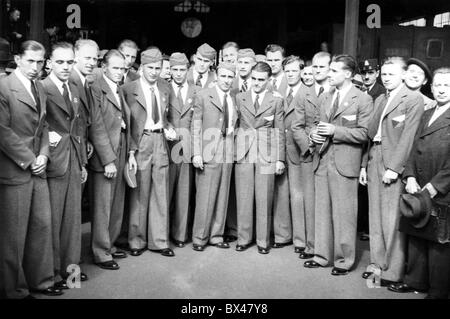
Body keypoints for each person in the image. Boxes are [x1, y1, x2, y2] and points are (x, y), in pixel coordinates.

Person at [0, 40, 63, 299]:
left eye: (40, 62)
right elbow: (2, 132)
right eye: (30, 61)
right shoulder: (4, 88)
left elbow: (45, 125)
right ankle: (13, 289)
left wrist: (44, 155)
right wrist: (30, 158)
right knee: (13, 236)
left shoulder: (38, 86)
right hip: (16, 170)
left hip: (37, 166)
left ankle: (41, 280)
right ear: (17, 59)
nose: (36, 67)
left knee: (41, 226)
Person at [304, 54, 373, 276]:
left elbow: (364, 133)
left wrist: (336, 131)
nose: (328, 74)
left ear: (348, 74)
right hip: (323, 160)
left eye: (334, 71)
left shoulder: (362, 99)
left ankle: (344, 260)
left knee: (344, 215)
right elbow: (316, 124)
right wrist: (314, 134)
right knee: (321, 211)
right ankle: (322, 256)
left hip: (345, 164)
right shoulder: (326, 96)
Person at [360, 57, 424, 286]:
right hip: (375, 157)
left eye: (391, 74)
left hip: (392, 163)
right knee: (375, 218)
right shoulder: (379, 98)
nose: (386, 78)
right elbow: (370, 134)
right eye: (384, 74)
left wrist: (395, 168)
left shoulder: (413, 99)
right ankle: (378, 264)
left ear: (404, 76)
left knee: (392, 220)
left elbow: (409, 136)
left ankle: (393, 271)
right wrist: (363, 165)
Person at [388, 67, 450, 299]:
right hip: (417, 186)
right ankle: (415, 281)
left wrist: (435, 186)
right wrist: (410, 176)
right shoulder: (426, 113)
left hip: (441, 190)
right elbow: (413, 148)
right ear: (431, 88)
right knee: (416, 235)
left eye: (447, 85)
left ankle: (438, 291)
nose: (442, 90)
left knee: (438, 245)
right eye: (438, 85)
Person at [41, 42, 88, 288]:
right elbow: (35, 126)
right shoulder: (42, 87)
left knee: (72, 219)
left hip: (73, 160)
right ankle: (52, 274)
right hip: (53, 162)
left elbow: (78, 127)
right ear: (49, 62)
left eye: (70, 62)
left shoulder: (74, 88)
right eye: (60, 62)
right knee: (52, 220)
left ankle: (71, 272)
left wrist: (82, 162)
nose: (66, 66)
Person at [122, 48, 177, 257]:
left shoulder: (165, 88)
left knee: (160, 190)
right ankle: (136, 240)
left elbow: (167, 116)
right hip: (141, 140)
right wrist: (131, 150)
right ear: (142, 67)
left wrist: (169, 127)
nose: (154, 72)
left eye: (158, 68)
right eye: (150, 68)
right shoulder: (128, 89)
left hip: (160, 139)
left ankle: (160, 240)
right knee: (139, 191)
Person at [234, 61, 285, 255]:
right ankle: (243, 238)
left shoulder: (276, 100)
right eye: (253, 78)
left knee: (264, 198)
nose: (256, 83)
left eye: (261, 80)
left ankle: (263, 241)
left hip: (267, 153)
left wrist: (280, 159)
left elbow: (279, 130)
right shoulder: (240, 98)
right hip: (244, 152)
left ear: (269, 80)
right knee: (244, 197)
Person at [191, 62, 238, 251]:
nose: (226, 80)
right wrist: (196, 153)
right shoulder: (203, 95)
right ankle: (200, 237)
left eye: (230, 77)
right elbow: (195, 126)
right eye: (223, 76)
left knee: (222, 194)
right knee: (205, 195)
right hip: (208, 149)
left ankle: (216, 235)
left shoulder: (234, 98)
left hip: (227, 148)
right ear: (216, 76)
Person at [272, 55, 306, 250]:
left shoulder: (308, 92)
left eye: (294, 71)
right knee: (281, 193)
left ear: (301, 71)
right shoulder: (277, 91)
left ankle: (300, 240)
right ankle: (282, 235)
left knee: (298, 195)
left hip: (298, 150)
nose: (291, 74)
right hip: (280, 148)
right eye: (288, 71)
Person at [167, 52, 198, 247]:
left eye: (182, 70)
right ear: (169, 70)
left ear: (188, 70)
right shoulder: (163, 89)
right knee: (165, 191)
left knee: (184, 193)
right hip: (168, 146)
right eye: (175, 70)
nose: (179, 74)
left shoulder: (198, 90)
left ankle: (180, 235)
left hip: (187, 146)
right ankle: (163, 233)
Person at [357, 58, 384, 242]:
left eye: (371, 73)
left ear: (377, 73)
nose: (367, 76)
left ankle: (367, 228)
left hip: (371, 142)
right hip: (358, 143)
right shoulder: (360, 91)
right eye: (364, 73)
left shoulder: (381, 93)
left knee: (368, 191)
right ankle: (361, 226)